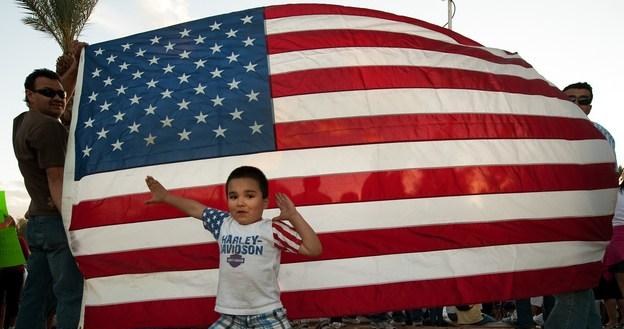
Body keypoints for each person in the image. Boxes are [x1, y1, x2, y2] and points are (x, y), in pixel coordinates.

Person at [144, 166, 323, 329]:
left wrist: (293, 216)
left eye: (250, 196)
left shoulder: (272, 229)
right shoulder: (223, 223)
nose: (240, 202)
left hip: (267, 313)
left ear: (265, 202)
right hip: (230, 316)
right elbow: (195, 209)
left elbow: (314, 249)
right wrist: (167, 197)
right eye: (233, 196)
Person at [12, 43, 85, 329]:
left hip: (37, 224)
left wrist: (74, 69)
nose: (57, 98)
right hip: (55, 222)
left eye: (60, 94)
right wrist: (70, 224)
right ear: (30, 96)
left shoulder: (22, 123)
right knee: (69, 294)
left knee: (34, 294)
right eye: (47, 93)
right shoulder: (50, 128)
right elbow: (56, 179)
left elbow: (57, 92)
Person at [543, 82, 617, 329]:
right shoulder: (544, 134)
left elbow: (605, 182)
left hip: (585, 222)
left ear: (590, 106)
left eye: (583, 100)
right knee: (576, 287)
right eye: (570, 99)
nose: (576, 104)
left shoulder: (602, 135)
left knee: (573, 287)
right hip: (553, 219)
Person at [601, 180, 624, 329]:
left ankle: (613, 321)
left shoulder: (612, 192)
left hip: (613, 239)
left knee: (609, 286)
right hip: (618, 239)